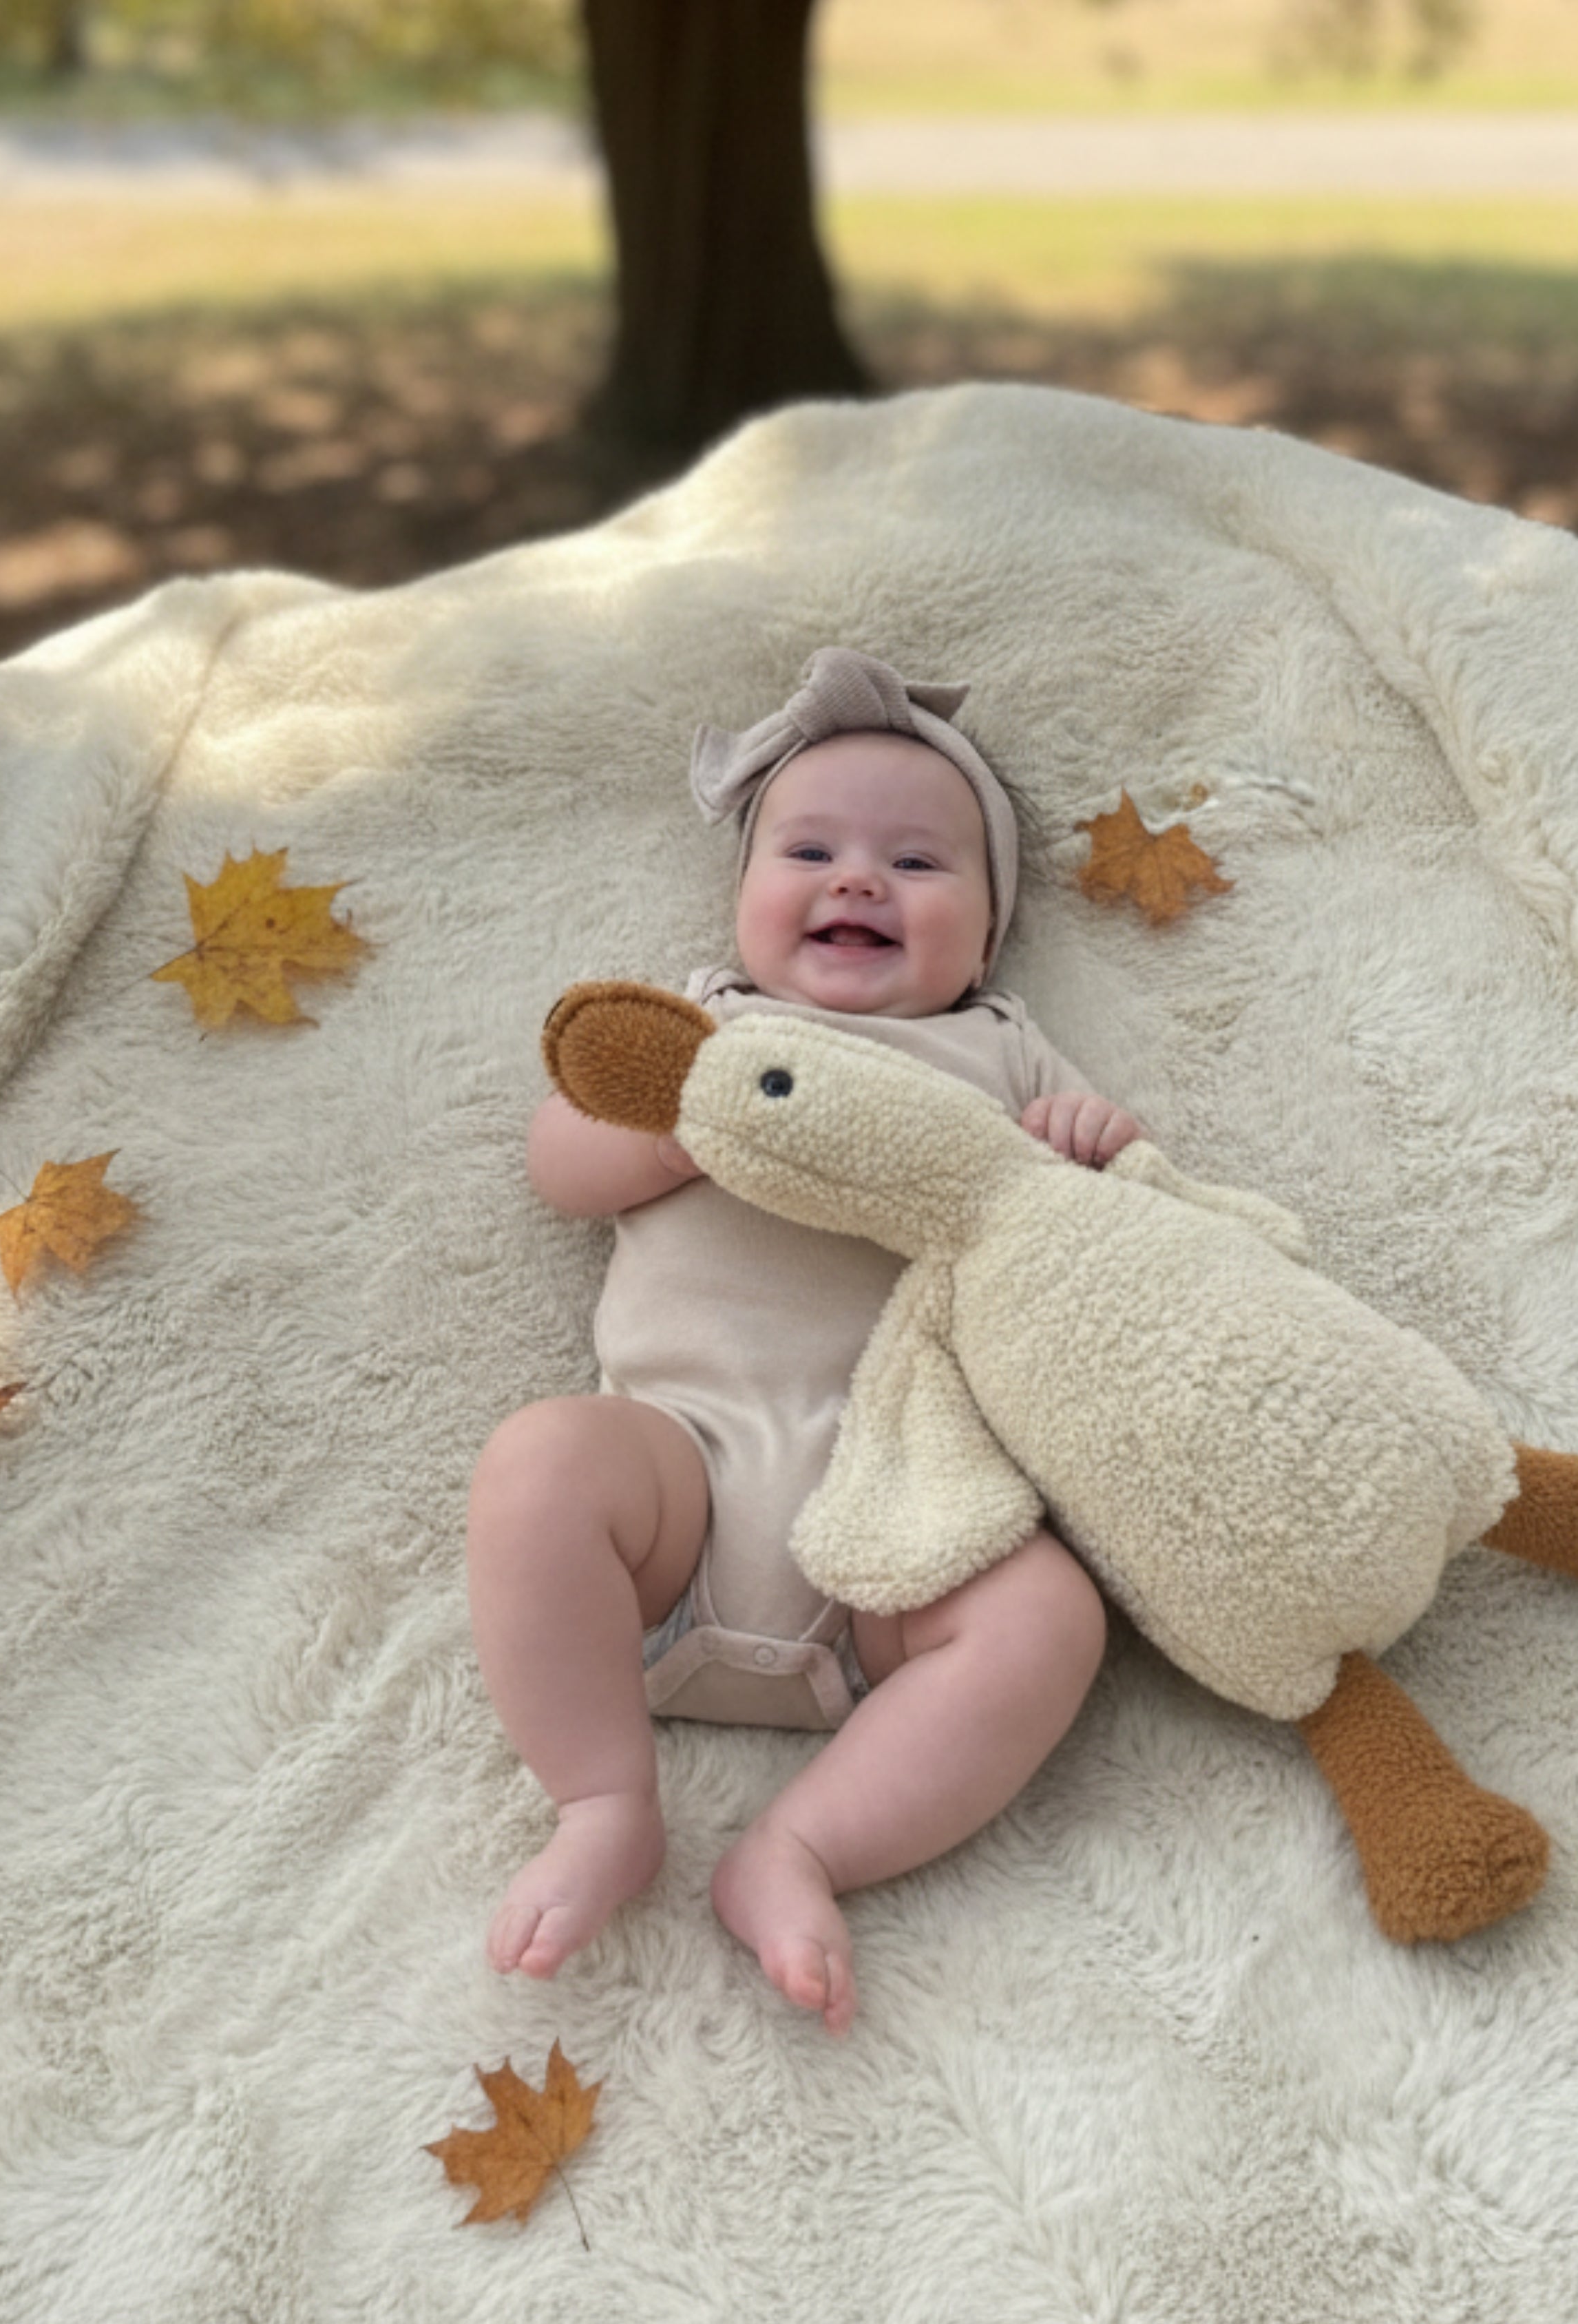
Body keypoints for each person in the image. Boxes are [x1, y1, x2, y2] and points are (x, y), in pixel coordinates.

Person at [465, 648, 1139, 2037]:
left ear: (990, 930)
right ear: (742, 893)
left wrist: (1087, 1153)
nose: (857, 881)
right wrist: (670, 1121)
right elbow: (560, 1163)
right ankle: (602, 1799)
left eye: (915, 861)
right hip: (677, 1499)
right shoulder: (704, 1028)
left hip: (894, 1525)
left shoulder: (1003, 1052)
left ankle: (803, 1844)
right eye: (810, 848)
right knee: (538, 1465)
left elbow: (1120, 1247)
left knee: (1047, 1614)